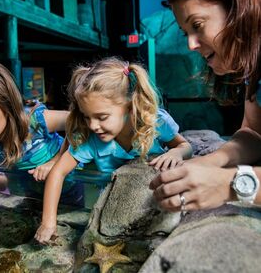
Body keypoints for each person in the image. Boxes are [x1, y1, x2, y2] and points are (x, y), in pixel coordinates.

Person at [34, 56, 193, 243]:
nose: (93, 125)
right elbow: (58, 173)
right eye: (86, 117)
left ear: (129, 107)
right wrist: (48, 222)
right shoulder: (90, 139)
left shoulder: (154, 122)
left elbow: (185, 146)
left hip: (154, 200)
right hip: (114, 203)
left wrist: (175, 152)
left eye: (102, 117)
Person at [149, 0, 261, 213]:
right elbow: (253, 132)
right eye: (185, 32)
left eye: (197, 25)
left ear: (238, 9)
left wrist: (229, 185)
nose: (191, 45)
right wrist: (210, 162)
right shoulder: (255, 71)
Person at [0, 60, 83, 205]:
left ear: (7, 106)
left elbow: (80, 122)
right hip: (29, 194)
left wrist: (56, 161)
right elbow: (1, 183)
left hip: (68, 191)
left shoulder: (35, 121)